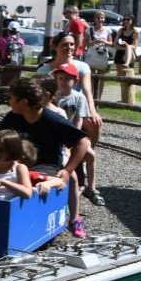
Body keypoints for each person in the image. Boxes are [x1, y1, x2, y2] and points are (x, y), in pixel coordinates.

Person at [0, 78, 91, 238]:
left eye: (11, 98)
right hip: (18, 165)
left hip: (46, 167)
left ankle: (67, 220)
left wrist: (68, 170)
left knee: (24, 180)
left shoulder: (52, 120)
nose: (9, 102)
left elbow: (83, 143)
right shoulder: (13, 117)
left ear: (24, 102)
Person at [52, 62, 104, 207]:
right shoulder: (54, 96)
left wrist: (73, 140)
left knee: (91, 155)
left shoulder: (79, 97)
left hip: (70, 135)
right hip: (56, 135)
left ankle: (91, 188)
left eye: (66, 79)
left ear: (75, 81)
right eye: (60, 78)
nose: (62, 82)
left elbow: (78, 119)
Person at [82, 10, 112, 99]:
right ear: (95, 19)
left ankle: (99, 98)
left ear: (104, 19)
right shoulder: (89, 29)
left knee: (101, 77)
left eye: (101, 18)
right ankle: (90, 97)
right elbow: (84, 43)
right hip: (92, 55)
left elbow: (111, 43)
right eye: (98, 18)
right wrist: (93, 42)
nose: (100, 19)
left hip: (102, 55)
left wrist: (104, 41)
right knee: (90, 77)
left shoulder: (107, 30)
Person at [113, 14, 139, 105]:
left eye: (128, 19)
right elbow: (115, 45)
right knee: (120, 77)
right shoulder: (121, 30)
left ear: (132, 20)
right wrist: (125, 48)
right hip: (120, 54)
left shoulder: (135, 32)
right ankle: (123, 98)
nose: (126, 21)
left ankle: (130, 98)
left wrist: (127, 46)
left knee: (128, 78)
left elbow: (134, 46)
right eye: (124, 19)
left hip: (130, 55)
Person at [0, 21, 26, 88]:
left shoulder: (2, 40)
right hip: (17, 66)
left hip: (5, 65)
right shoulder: (21, 41)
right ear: (18, 31)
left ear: (8, 30)